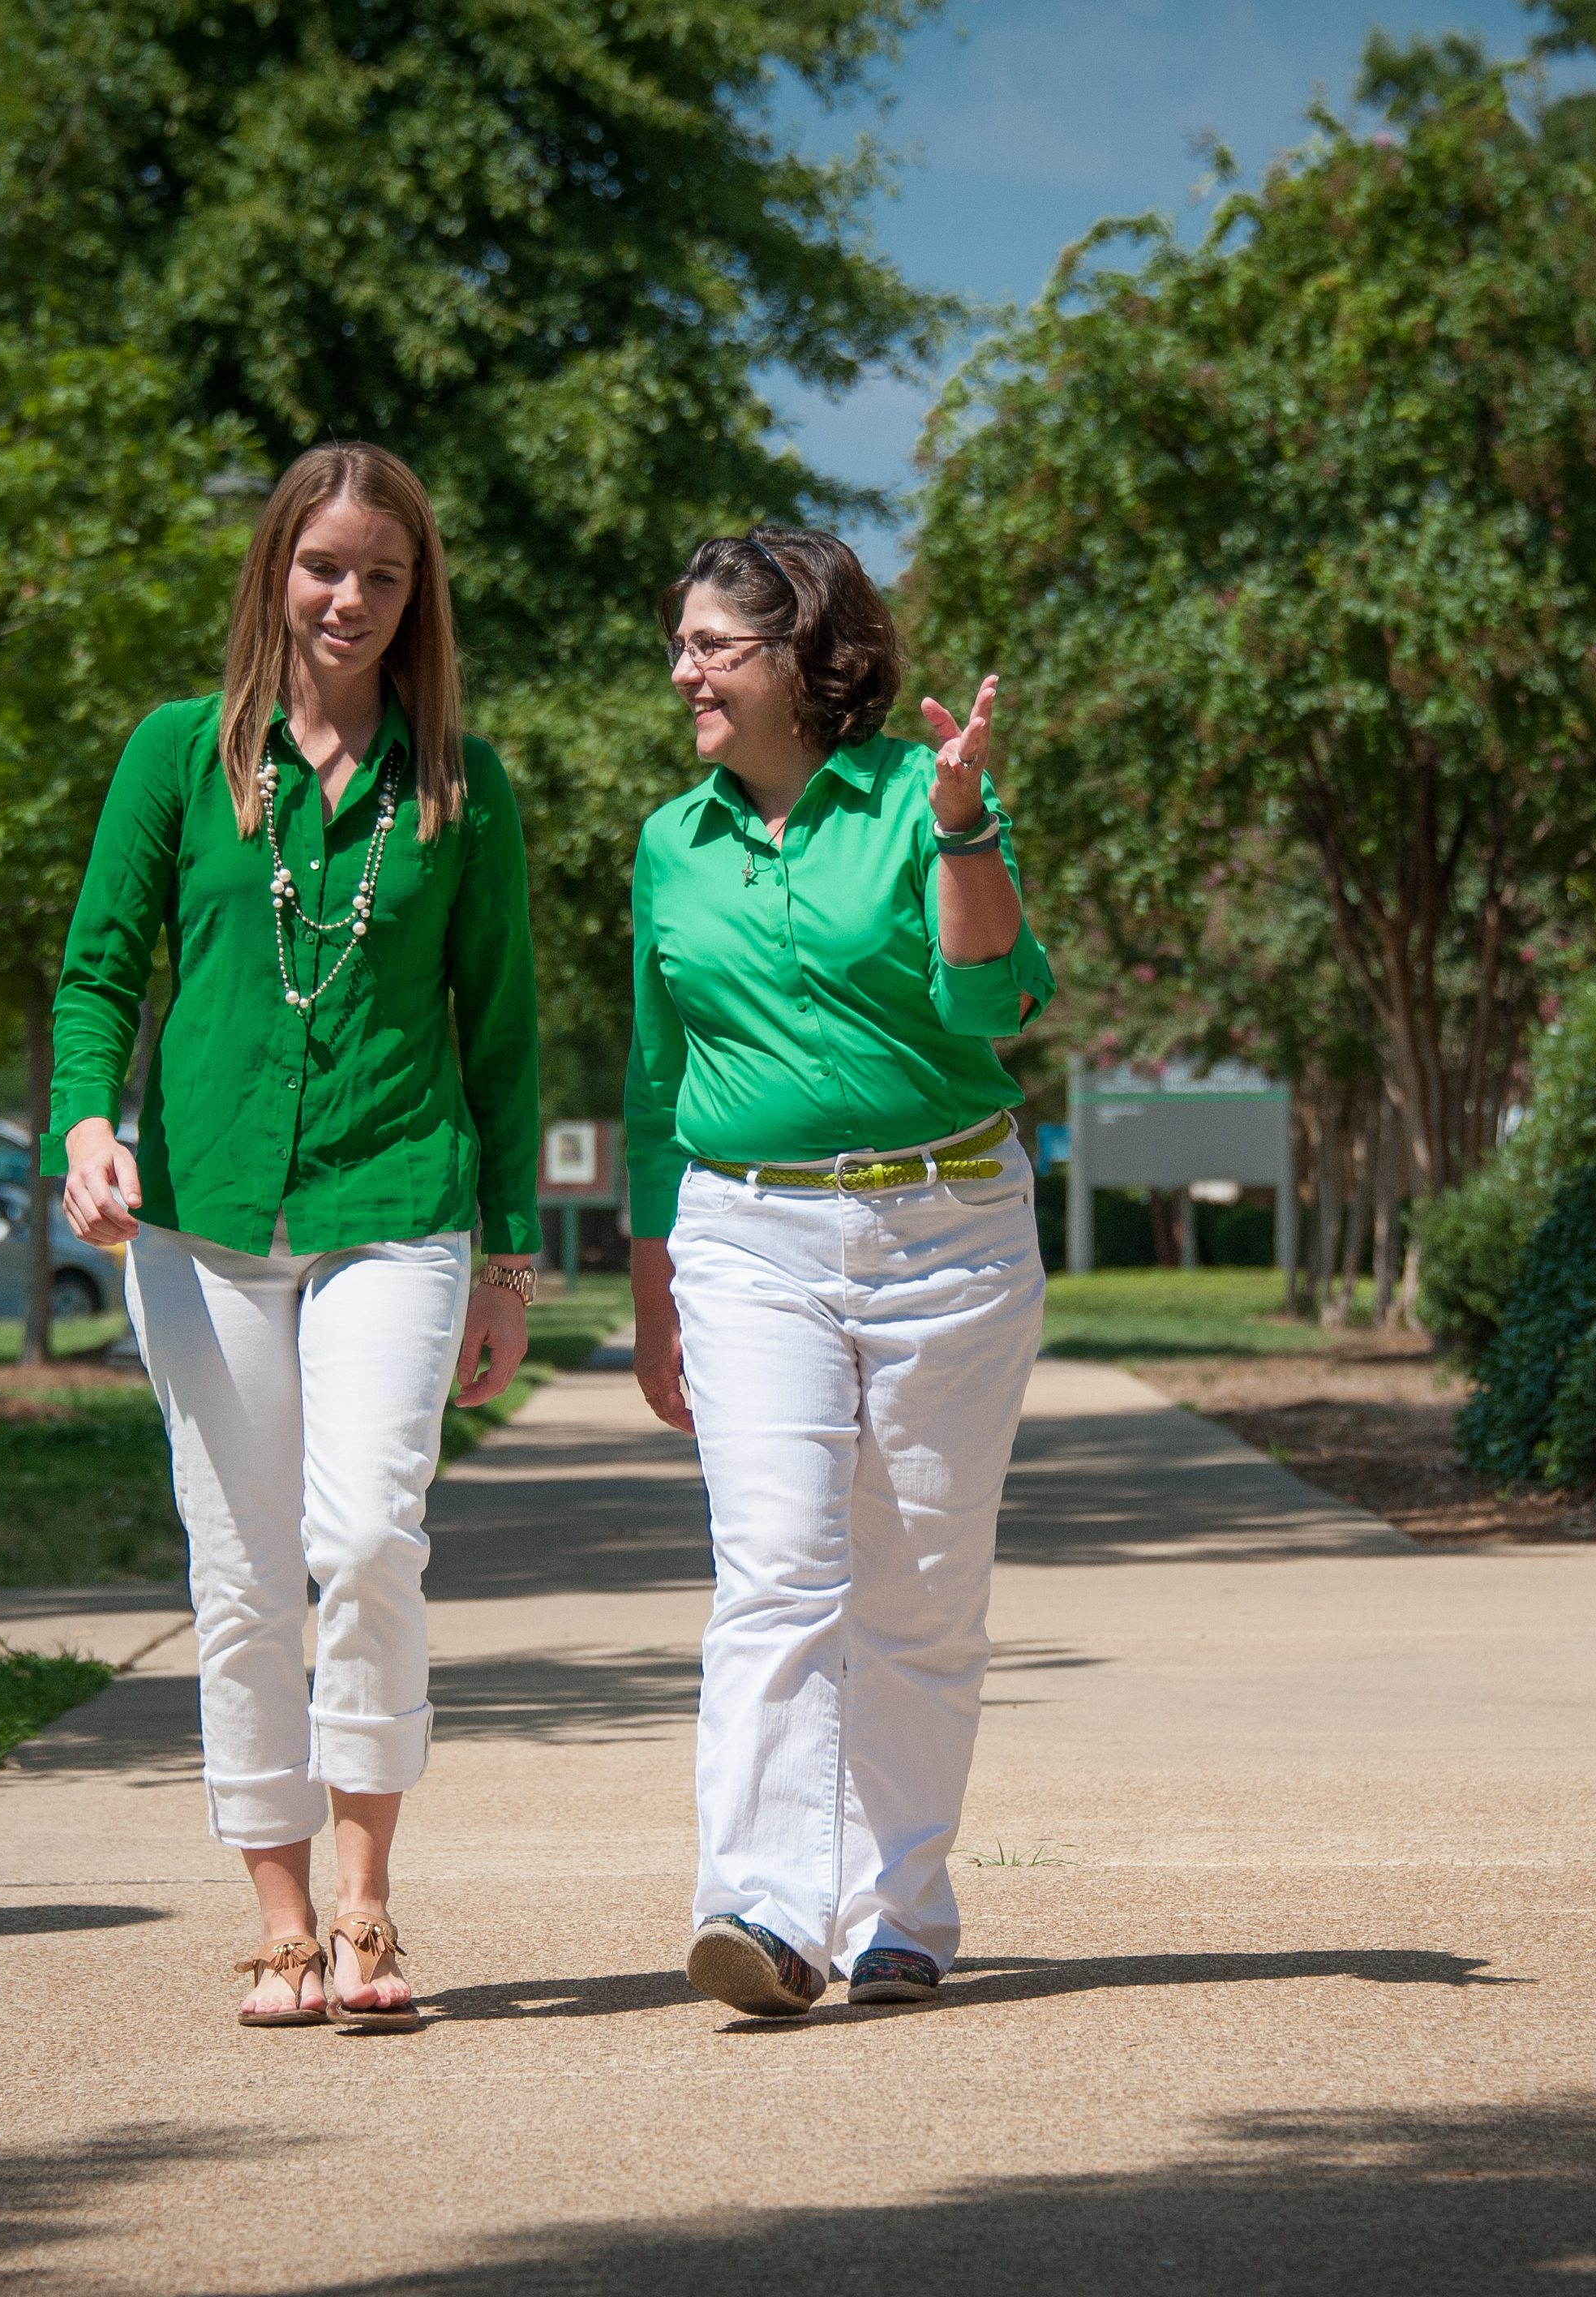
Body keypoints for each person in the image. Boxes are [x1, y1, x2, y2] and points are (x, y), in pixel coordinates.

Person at [51, 442, 539, 2032]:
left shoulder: (461, 786)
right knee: (246, 1572)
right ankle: (273, 1922)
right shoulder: (179, 758)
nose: (350, 598)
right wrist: (85, 1125)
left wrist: (513, 1261)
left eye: (383, 575)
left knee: (370, 1539)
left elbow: (508, 1032)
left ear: (418, 598)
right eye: (324, 566)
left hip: (394, 1202)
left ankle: (366, 1902)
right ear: (275, 570)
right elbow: (97, 973)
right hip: (199, 1224)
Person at [625, 525, 1053, 2017]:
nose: (682, 669)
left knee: (921, 1593)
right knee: (774, 1576)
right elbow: (652, 1073)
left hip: (951, 1233)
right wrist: (650, 1286)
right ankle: (761, 1909)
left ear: (806, 656)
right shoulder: (672, 844)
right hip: (748, 1235)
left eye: (710, 646)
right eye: (681, 643)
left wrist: (963, 831)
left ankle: (903, 1910)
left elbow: (992, 1001)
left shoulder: (918, 799)